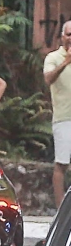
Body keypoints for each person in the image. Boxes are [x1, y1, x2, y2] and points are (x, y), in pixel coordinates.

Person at [45, 20, 71, 208]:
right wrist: (66, 61)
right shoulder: (53, 57)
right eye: (69, 34)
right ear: (62, 36)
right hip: (64, 117)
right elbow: (48, 78)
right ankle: (60, 206)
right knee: (62, 163)